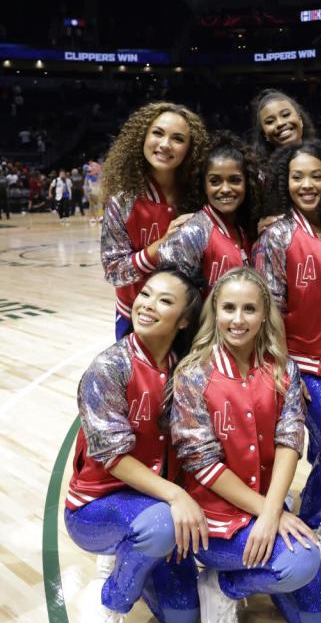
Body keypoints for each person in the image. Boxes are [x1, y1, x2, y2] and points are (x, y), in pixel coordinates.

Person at [170, 267, 321, 623]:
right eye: (228, 308)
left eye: (249, 309)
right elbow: (202, 464)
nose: (238, 319)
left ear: (264, 315)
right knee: (301, 560)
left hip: (266, 509)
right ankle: (220, 587)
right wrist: (269, 513)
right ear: (215, 312)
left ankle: (239, 579)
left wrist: (273, 511)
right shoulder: (192, 374)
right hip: (216, 521)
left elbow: (290, 440)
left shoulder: (283, 368)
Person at [65, 266, 205, 623]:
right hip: (96, 507)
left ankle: (137, 559)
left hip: (157, 507)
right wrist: (176, 496)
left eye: (164, 300)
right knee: (160, 527)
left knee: (184, 615)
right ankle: (111, 599)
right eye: (145, 294)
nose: (147, 304)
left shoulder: (185, 370)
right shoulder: (108, 368)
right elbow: (113, 459)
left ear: (184, 321)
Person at [255, 140, 321, 581]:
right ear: (285, 182)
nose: (308, 184)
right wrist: (284, 370)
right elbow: (269, 310)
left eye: (316, 175)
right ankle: (307, 526)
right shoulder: (276, 236)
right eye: (298, 176)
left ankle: (318, 509)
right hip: (306, 362)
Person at [100, 102, 209, 340]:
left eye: (178, 139)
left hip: (189, 319)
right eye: (158, 133)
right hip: (138, 319)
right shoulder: (122, 201)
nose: (165, 144)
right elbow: (114, 272)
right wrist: (158, 247)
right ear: (142, 137)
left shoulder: (200, 194)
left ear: (190, 148)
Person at [156, 131, 259, 296]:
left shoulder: (244, 228)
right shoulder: (190, 232)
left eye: (235, 180)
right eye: (215, 181)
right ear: (203, 185)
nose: (225, 189)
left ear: (247, 183)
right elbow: (173, 299)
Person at [250, 89, 316, 160]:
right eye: (270, 121)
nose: (280, 123)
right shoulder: (260, 170)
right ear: (264, 134)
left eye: (286, 115)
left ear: (300, 120)